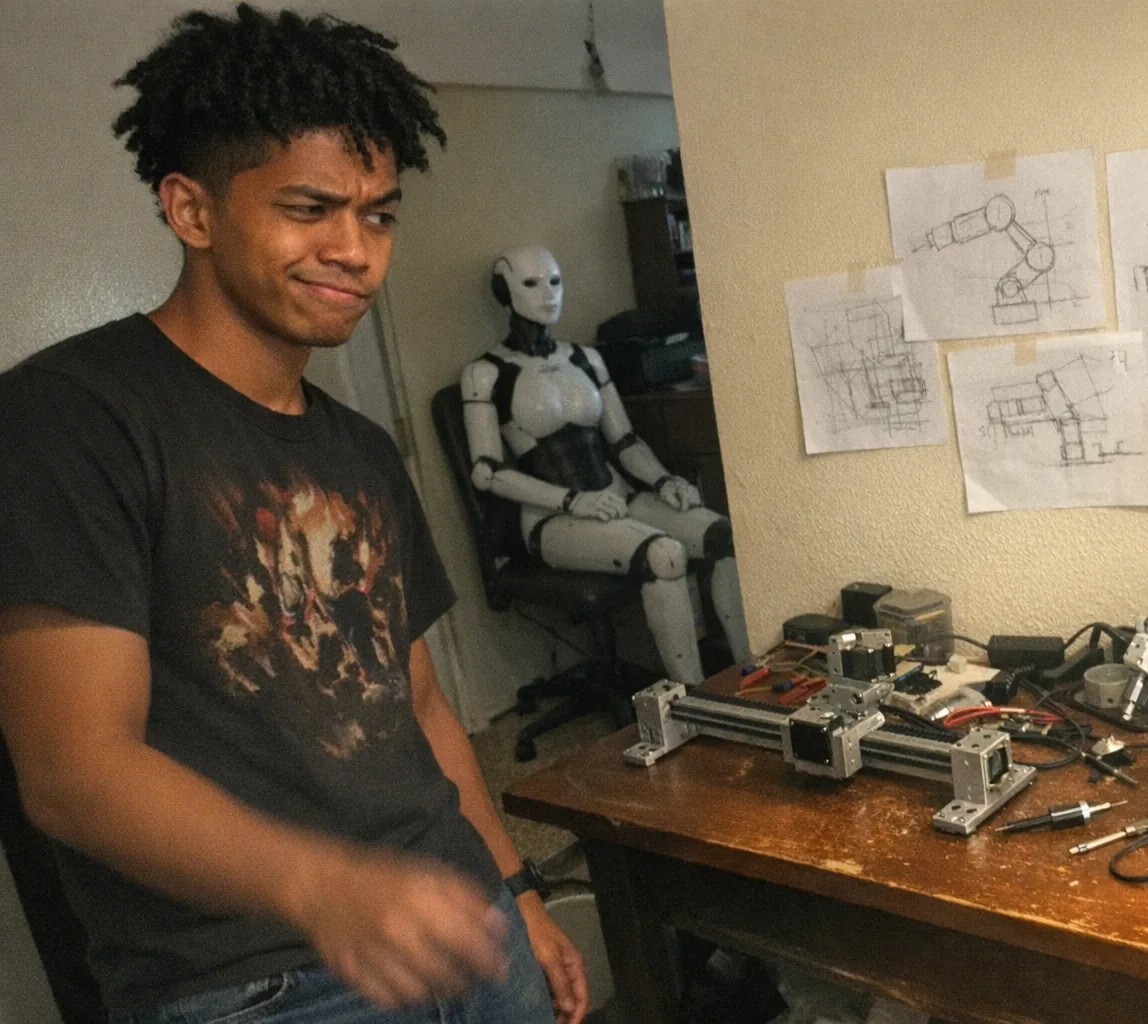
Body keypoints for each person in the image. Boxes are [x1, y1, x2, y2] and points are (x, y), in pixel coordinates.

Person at [0, 6, 587, 1023]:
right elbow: (72, 767)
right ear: (191, 210)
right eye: (310, 209)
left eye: (379, 215)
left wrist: (519, 889)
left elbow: (423, 706)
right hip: (256, 979)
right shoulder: (69, 417)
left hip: (461, 921)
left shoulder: (356, 448)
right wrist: (326, 889)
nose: (354, 250)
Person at [461, 246, 750, 684]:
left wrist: (663, 479)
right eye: (531, 284)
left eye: (555, 281)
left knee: (722, 536)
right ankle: (694, 702)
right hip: (552, 518)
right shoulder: (486, 373)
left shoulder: (585, 358)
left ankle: (753, 672)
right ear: (504, 291)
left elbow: (624, 439)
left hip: (618, 496)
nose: (548, 294)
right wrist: (572, 501)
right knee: (665, 554)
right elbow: (486, 473)